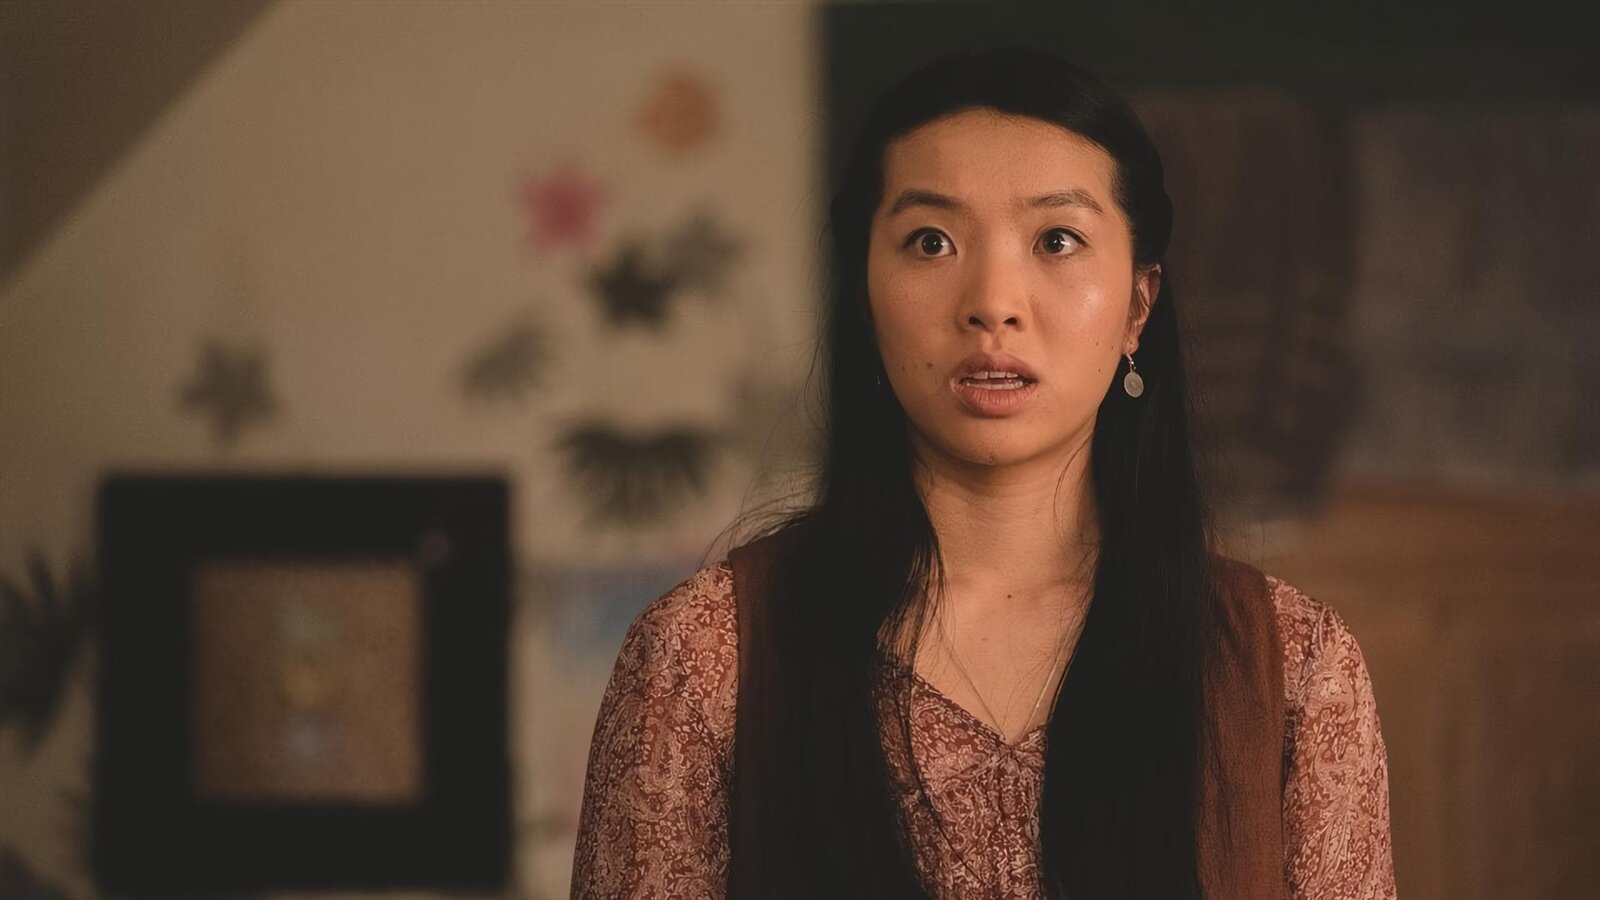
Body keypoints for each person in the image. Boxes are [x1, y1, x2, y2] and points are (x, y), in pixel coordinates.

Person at [571, 47, 1394, 899]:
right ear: (865, 297)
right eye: (931, 241)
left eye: (1057, 240)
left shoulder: (1293, 668)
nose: (993, 303)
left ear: (1138, 306)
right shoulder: (704, 655)